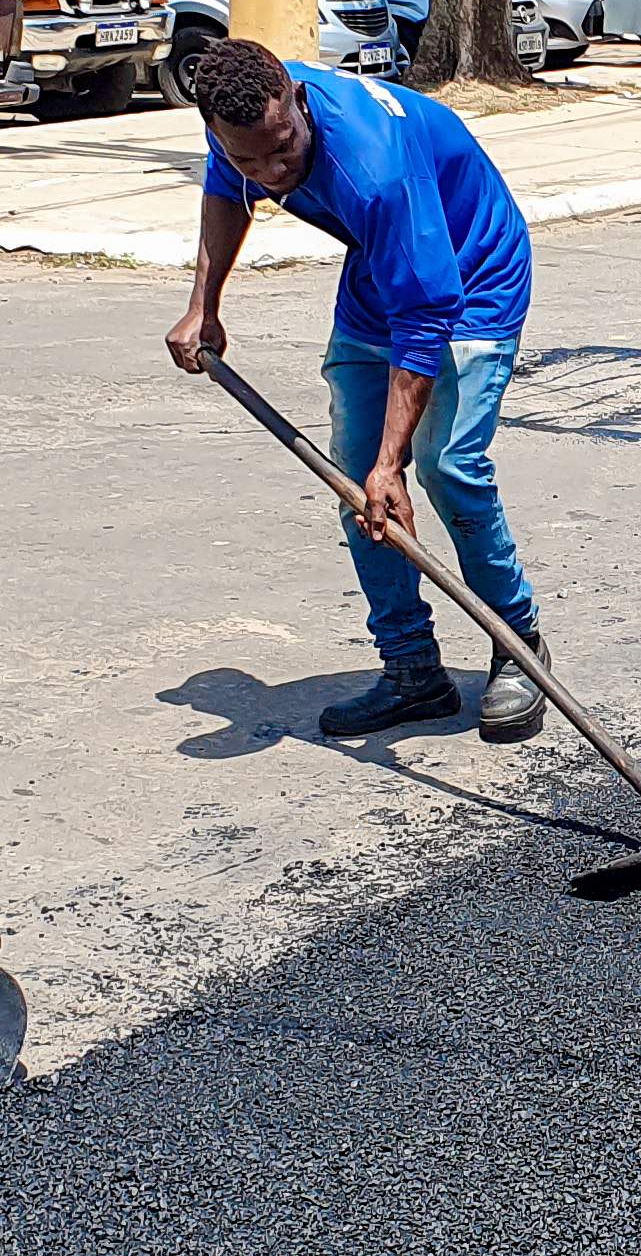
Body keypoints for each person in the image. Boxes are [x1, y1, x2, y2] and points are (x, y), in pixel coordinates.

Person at [165, 37, 548, 744]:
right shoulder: (239, 118)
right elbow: (227, 189)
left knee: (445, 469)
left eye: (284, 150)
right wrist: (204, 305)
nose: (272, 173)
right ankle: (411, 669)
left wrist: (392, 461)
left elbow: (428, 311)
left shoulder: (375, 168)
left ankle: (518, 646)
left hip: (471, 279)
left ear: (298, 102)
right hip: (384, 277)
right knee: (357, 488)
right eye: (252, 158)